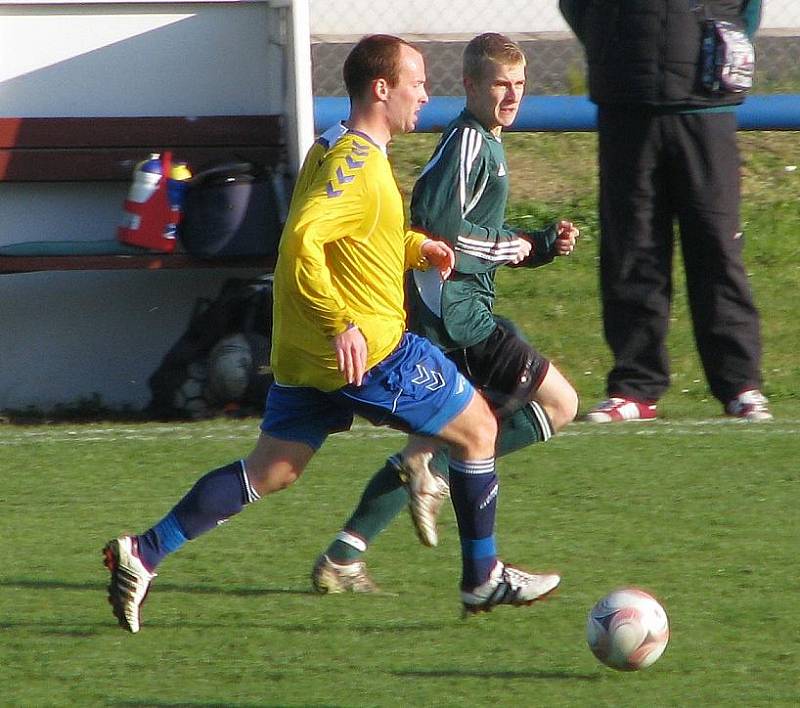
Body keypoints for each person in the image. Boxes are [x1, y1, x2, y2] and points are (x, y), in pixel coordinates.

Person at [102, 34, 559, 633]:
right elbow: (301, 242)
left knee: (271, 470)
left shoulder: (337, 145)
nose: (424, 94)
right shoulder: (358, 164)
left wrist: (416, 247)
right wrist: (341, 321)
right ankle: (482, 579)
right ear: (381, 88)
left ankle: (145, 552)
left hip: (306, 356)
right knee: (478, 431)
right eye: (415, 82)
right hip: (366, 350)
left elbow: (351, 239)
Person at [311, 33, 579, 596]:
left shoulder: (482, 142)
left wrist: (537, 245)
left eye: (520, 85)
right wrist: (524, 245)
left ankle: (343, 556)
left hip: (463, 311)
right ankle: (467, 545)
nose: (512, 95)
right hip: (457, 320)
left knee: (438, 439)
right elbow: (441, 229)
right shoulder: (468, 144)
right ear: (472, 86)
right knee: (558, 403)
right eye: (500, 84)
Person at [559, 0, 772, 423]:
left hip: (706, 104)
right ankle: (635, 387)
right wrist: (615, 40)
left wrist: (712, 38)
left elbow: (749, 10)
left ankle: (740, 385)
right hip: (627, 102)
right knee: (632, 248)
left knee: (717, 247)